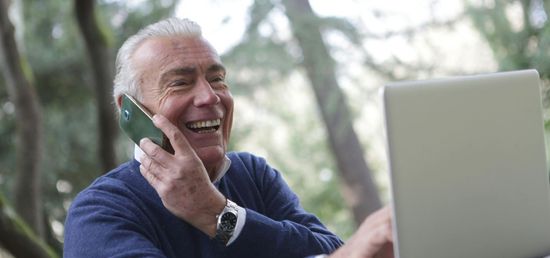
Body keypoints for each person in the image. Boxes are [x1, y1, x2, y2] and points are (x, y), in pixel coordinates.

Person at [63, 17, 393, 258]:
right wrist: (219, 217)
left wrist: (218, 213)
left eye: (217, 79)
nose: (209, 97)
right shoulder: (100, 211)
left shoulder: (252, 174)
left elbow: (335, 250)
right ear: (130, 111)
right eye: (180, 82)